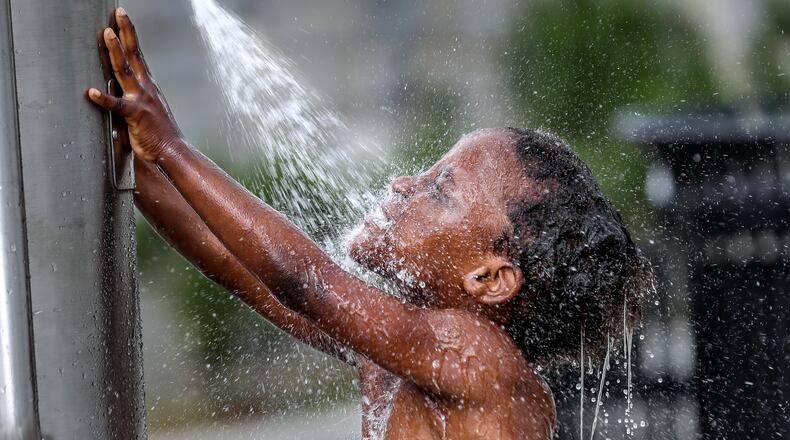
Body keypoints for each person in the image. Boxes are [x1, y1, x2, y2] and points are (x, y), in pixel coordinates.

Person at [88, 8, 652, 439]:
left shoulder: (479, 360)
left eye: (439, 189)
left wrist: (173, 147)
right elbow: (242, 267)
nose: (406, 183)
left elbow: (304, 281)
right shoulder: (398, 348)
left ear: (488, 278)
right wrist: (134, 155)